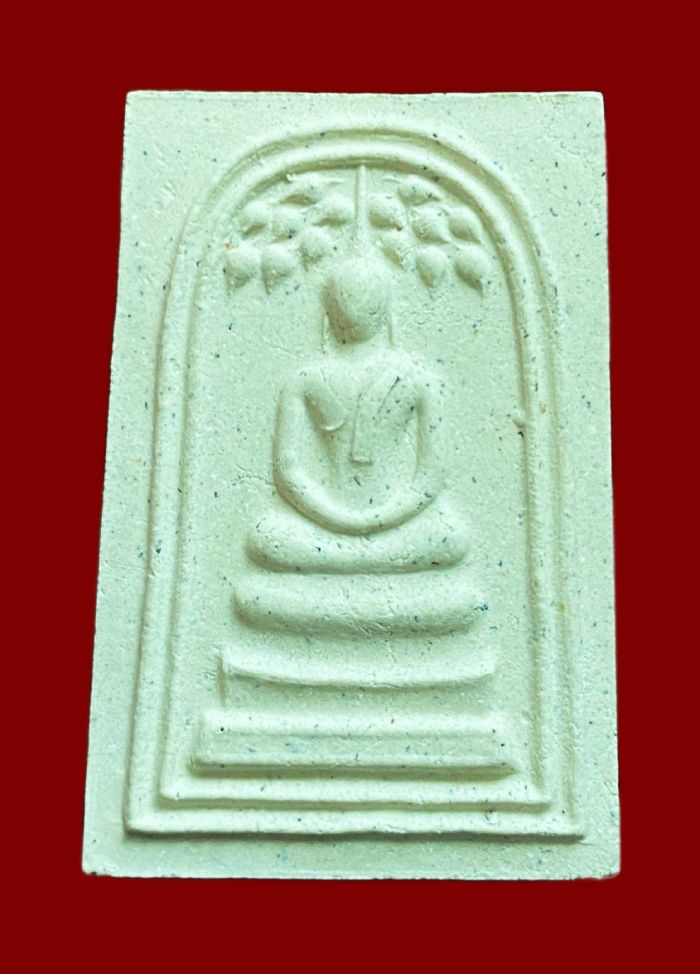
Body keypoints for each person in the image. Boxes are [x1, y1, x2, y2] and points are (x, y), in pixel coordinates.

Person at [246, 257, 468, 574]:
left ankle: (344, 561)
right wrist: (340, 520)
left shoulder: (417, 380)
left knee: (450, 536)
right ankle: (371, 561)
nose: (355, 309)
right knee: (267, 537)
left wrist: (375, 520)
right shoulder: (306, 379)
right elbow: (287, 472)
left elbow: (429, 481)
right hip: (324, 524)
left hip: (391, 524)